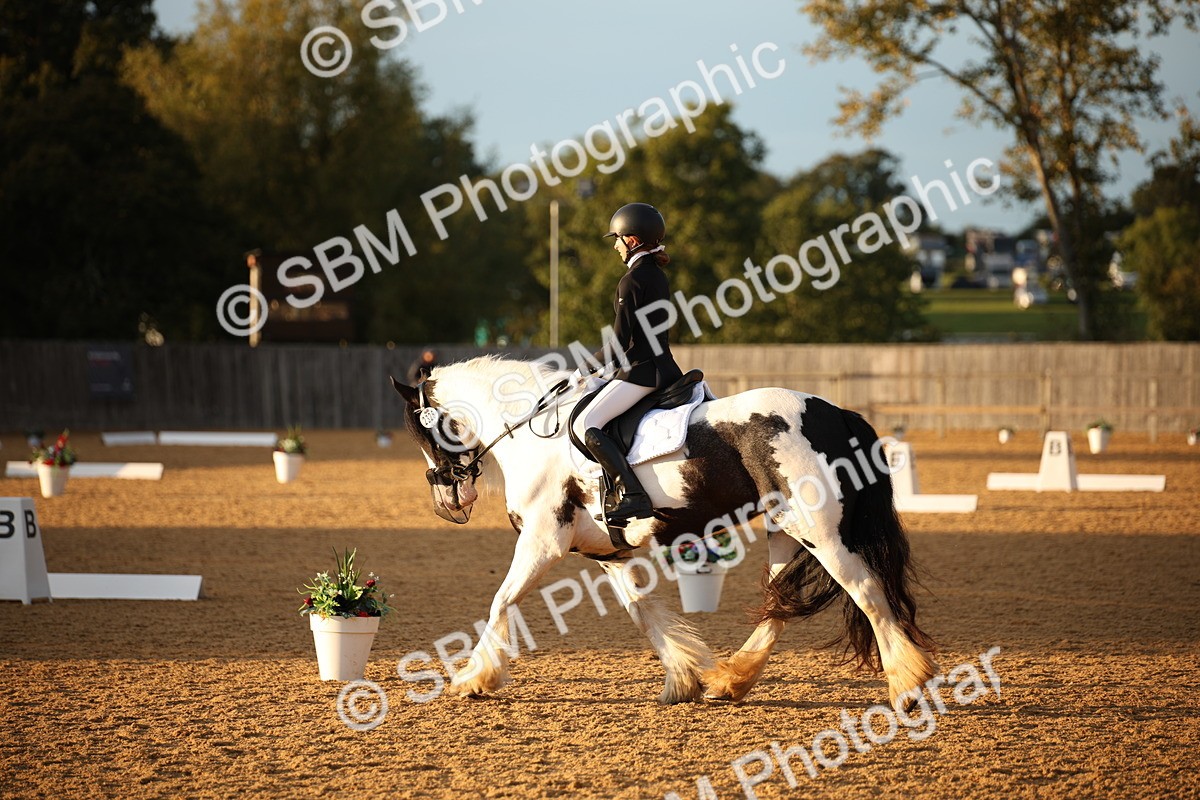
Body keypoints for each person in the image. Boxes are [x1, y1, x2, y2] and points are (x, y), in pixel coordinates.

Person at [569, 202, 683, 528]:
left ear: (631, 240)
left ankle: (632, 493)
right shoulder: (655, 275)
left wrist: (582, 370)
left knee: (586, 423)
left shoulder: (631, 281)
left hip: (643, 373)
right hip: (662, 366)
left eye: (617, 239)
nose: (615, 246)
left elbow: (619, 343)